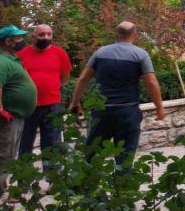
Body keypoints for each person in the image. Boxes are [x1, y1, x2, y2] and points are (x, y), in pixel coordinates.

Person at [69, 21, 165, 164]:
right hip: (128, 111)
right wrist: (159, 107)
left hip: (101, 111)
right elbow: (151, 82)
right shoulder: (140, 55)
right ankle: (123, 185)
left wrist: (75, 103)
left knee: (92, 154)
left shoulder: (100, 52)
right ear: (134, 34)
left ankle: (87, 184)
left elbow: (83, 78)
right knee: (125, 156)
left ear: (117, 34)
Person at [0, 25, 37, 207]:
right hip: (3, 119)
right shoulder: (0, 62)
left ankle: (0, 195)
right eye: (18, 38)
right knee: (0, 158)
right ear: (8, 41)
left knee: (6, 157)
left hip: (13, 118)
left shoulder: (10, 59)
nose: (22, 41)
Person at [17, 24, 73, 166]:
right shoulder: (21, 55)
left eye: (49, 34)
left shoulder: (60, 53)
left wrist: (51, 88)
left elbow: (65, 76)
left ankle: (52, 178)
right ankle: (24, 178)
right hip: (28, 107)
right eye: (42, 34)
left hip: (53, 106)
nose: (46, 37)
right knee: (25, 144)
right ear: (34, 35)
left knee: (52, 144)